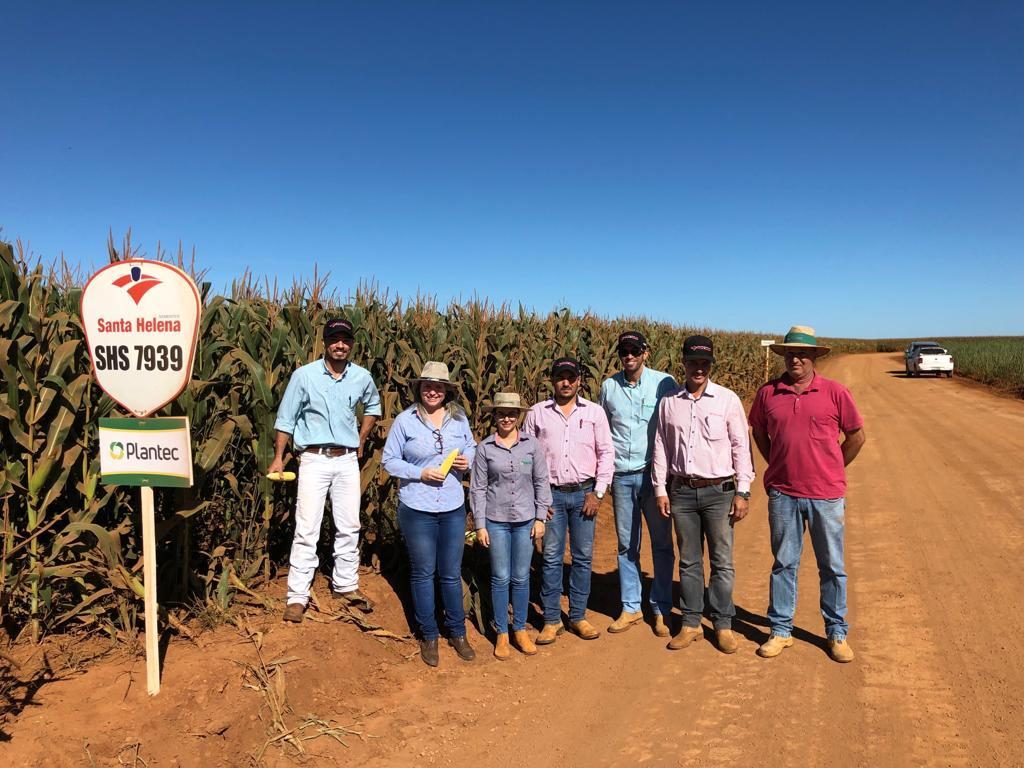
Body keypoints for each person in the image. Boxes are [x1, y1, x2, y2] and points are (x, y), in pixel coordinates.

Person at [748, 326, 866, 663]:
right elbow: (758, 430)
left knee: (832, 565)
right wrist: (778, 464)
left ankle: (836, 632)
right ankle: (781, 630)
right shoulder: (768, 393)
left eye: (802, 353)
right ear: (783, 356)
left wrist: (833, 468)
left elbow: (857, 436)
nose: (795, 358)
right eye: (789, 353)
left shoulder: (835, 392)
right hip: (784, 493)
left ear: (814, 357)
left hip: (825, 495)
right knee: (784, 563)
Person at [271, 317, 382, 623]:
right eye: (335, 339)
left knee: (349, 525)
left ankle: (346, 585)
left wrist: (360, 440)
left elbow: (374, 407)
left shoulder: (361, 377)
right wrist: (279, 456)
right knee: (307, 528)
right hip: (314, 458)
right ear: (325, 342)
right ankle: (297, 596)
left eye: (346, 339)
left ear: (352, 344)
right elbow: (286, 418)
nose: (340, 345)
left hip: (346, 459)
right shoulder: (304, 376)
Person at [652, 335, 755, 654]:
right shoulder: (669, 401)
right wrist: (660, 488)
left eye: (704, 362)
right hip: (681, 490)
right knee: (689, 561)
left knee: (722, 561)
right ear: (683, 363)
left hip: (720, 492)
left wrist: (743, 491)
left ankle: (723, 624)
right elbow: (660, 446)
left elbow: (741, 446)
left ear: (711, 365)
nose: (698, 368)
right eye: (693, 361)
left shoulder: (727, 399)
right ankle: (692, 623)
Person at [381, 361, 477, 667]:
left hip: (452, 506)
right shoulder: (405, 421)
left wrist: (467, 461)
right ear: (419, 389)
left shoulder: (459, 418)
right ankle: (429, 635)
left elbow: (471, 446)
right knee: (423, 572)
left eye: (438, 387)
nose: (432, 391)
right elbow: (389, 460)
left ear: (446, 390)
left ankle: (458, 632)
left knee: (450, 572)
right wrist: (419, 473)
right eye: (427, 386)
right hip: (417, 507)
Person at [523, 357, 615, 644]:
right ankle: (551, 620)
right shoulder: (537, 413)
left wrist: (598, 492)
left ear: (579, 381)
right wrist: (537, 496)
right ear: (552, 380)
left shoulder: (595, 413)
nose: (566, 382)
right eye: (560, 377)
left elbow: (606, 453)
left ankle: (577, 616)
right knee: (550, 557)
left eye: (571, 377)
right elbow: (527, 456)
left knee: (582, 557)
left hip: (584, 494)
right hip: (550, 495)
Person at [599, 330, 678, 637]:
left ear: (646, 352)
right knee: (626, 545)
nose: (628, 355)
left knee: (661, 544)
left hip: (654, 476)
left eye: (634, 350)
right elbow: (602, 432)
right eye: (623, 351)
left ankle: (660, 607)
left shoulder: (664, 383)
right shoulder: (608, 386)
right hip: (621, 476)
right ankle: (631, 607)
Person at [469, 392, 551, 660]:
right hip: (496, 520)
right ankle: (502, 633)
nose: (507, 418)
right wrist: (480, 525)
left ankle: (520, 630)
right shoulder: (485, 448)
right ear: (494, 416)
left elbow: (541, 481)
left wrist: (540, 518)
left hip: (526, 519)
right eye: (501, 413)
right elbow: (478, 488)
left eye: (512, 414)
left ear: (519, 417)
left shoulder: (531, 445)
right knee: (500, 577)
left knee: (521, 576)